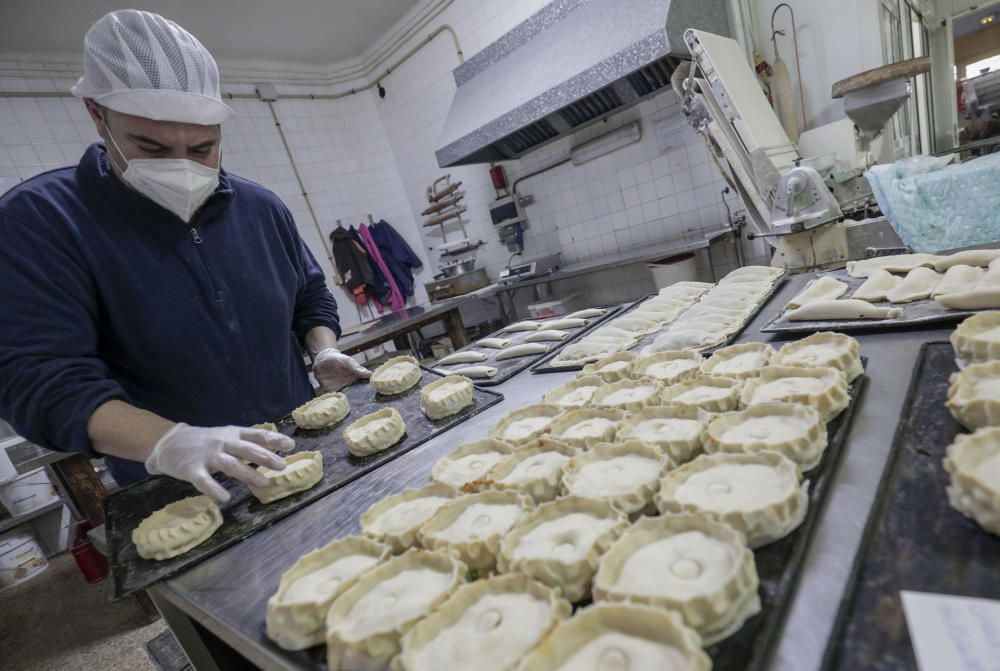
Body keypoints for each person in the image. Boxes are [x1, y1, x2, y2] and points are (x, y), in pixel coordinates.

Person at [0, 10, 370, 503]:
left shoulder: (261, 208)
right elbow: (37, 378)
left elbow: (309, 293)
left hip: (302, 451)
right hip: (181, 489)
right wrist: (168, 441)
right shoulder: (41, 222)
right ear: (97, 114)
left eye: (202, 147)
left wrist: (321, 349)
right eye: (150, 146)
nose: (180, 165)